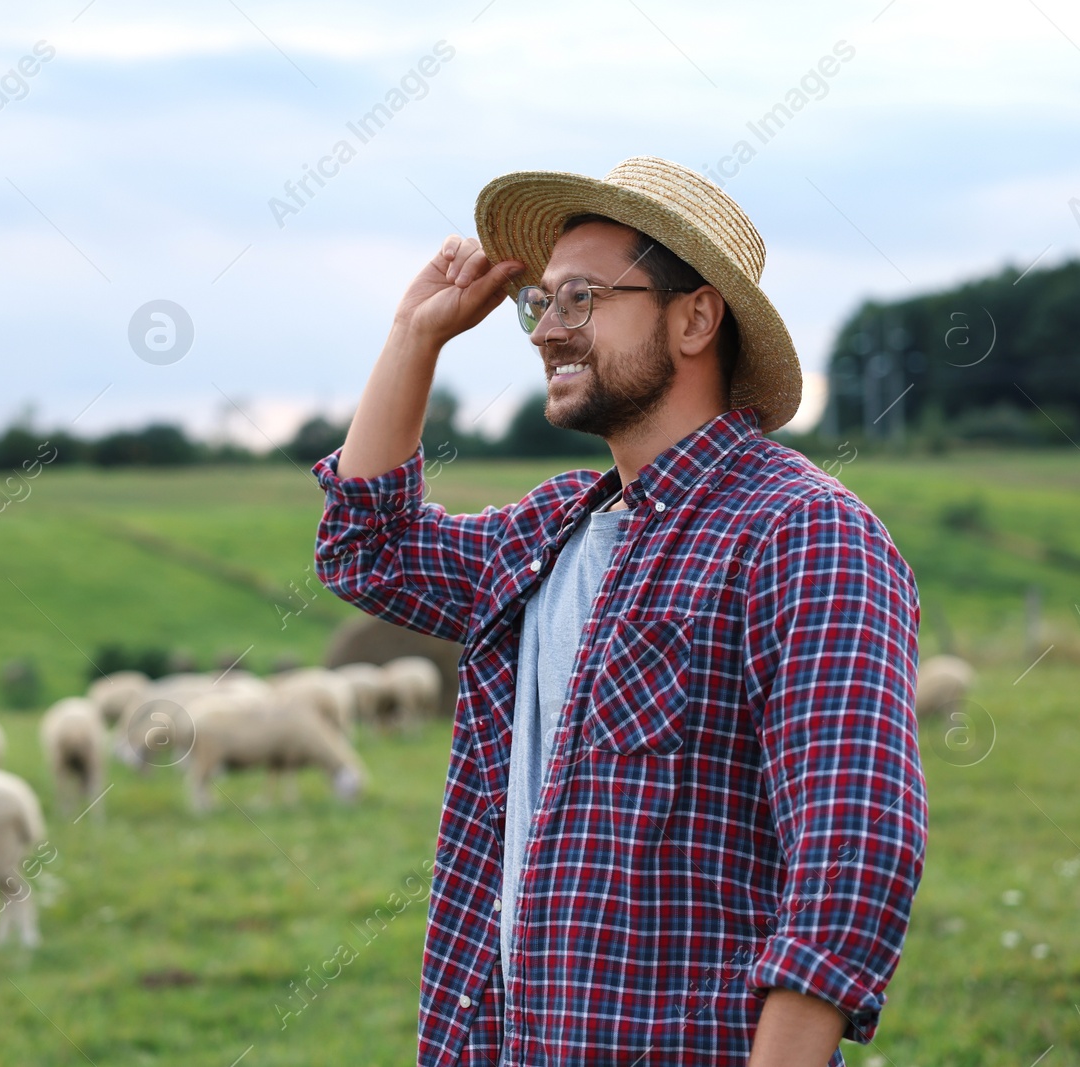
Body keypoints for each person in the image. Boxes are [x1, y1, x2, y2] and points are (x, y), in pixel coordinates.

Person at [311, 156, 926, 1066]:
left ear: (694, 317)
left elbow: (852, 850)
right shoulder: (550, 530)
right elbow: (368, 548)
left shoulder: (803, 533)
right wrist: (414, 335)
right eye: (541, 302)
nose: (546, 331)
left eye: (582, 298)